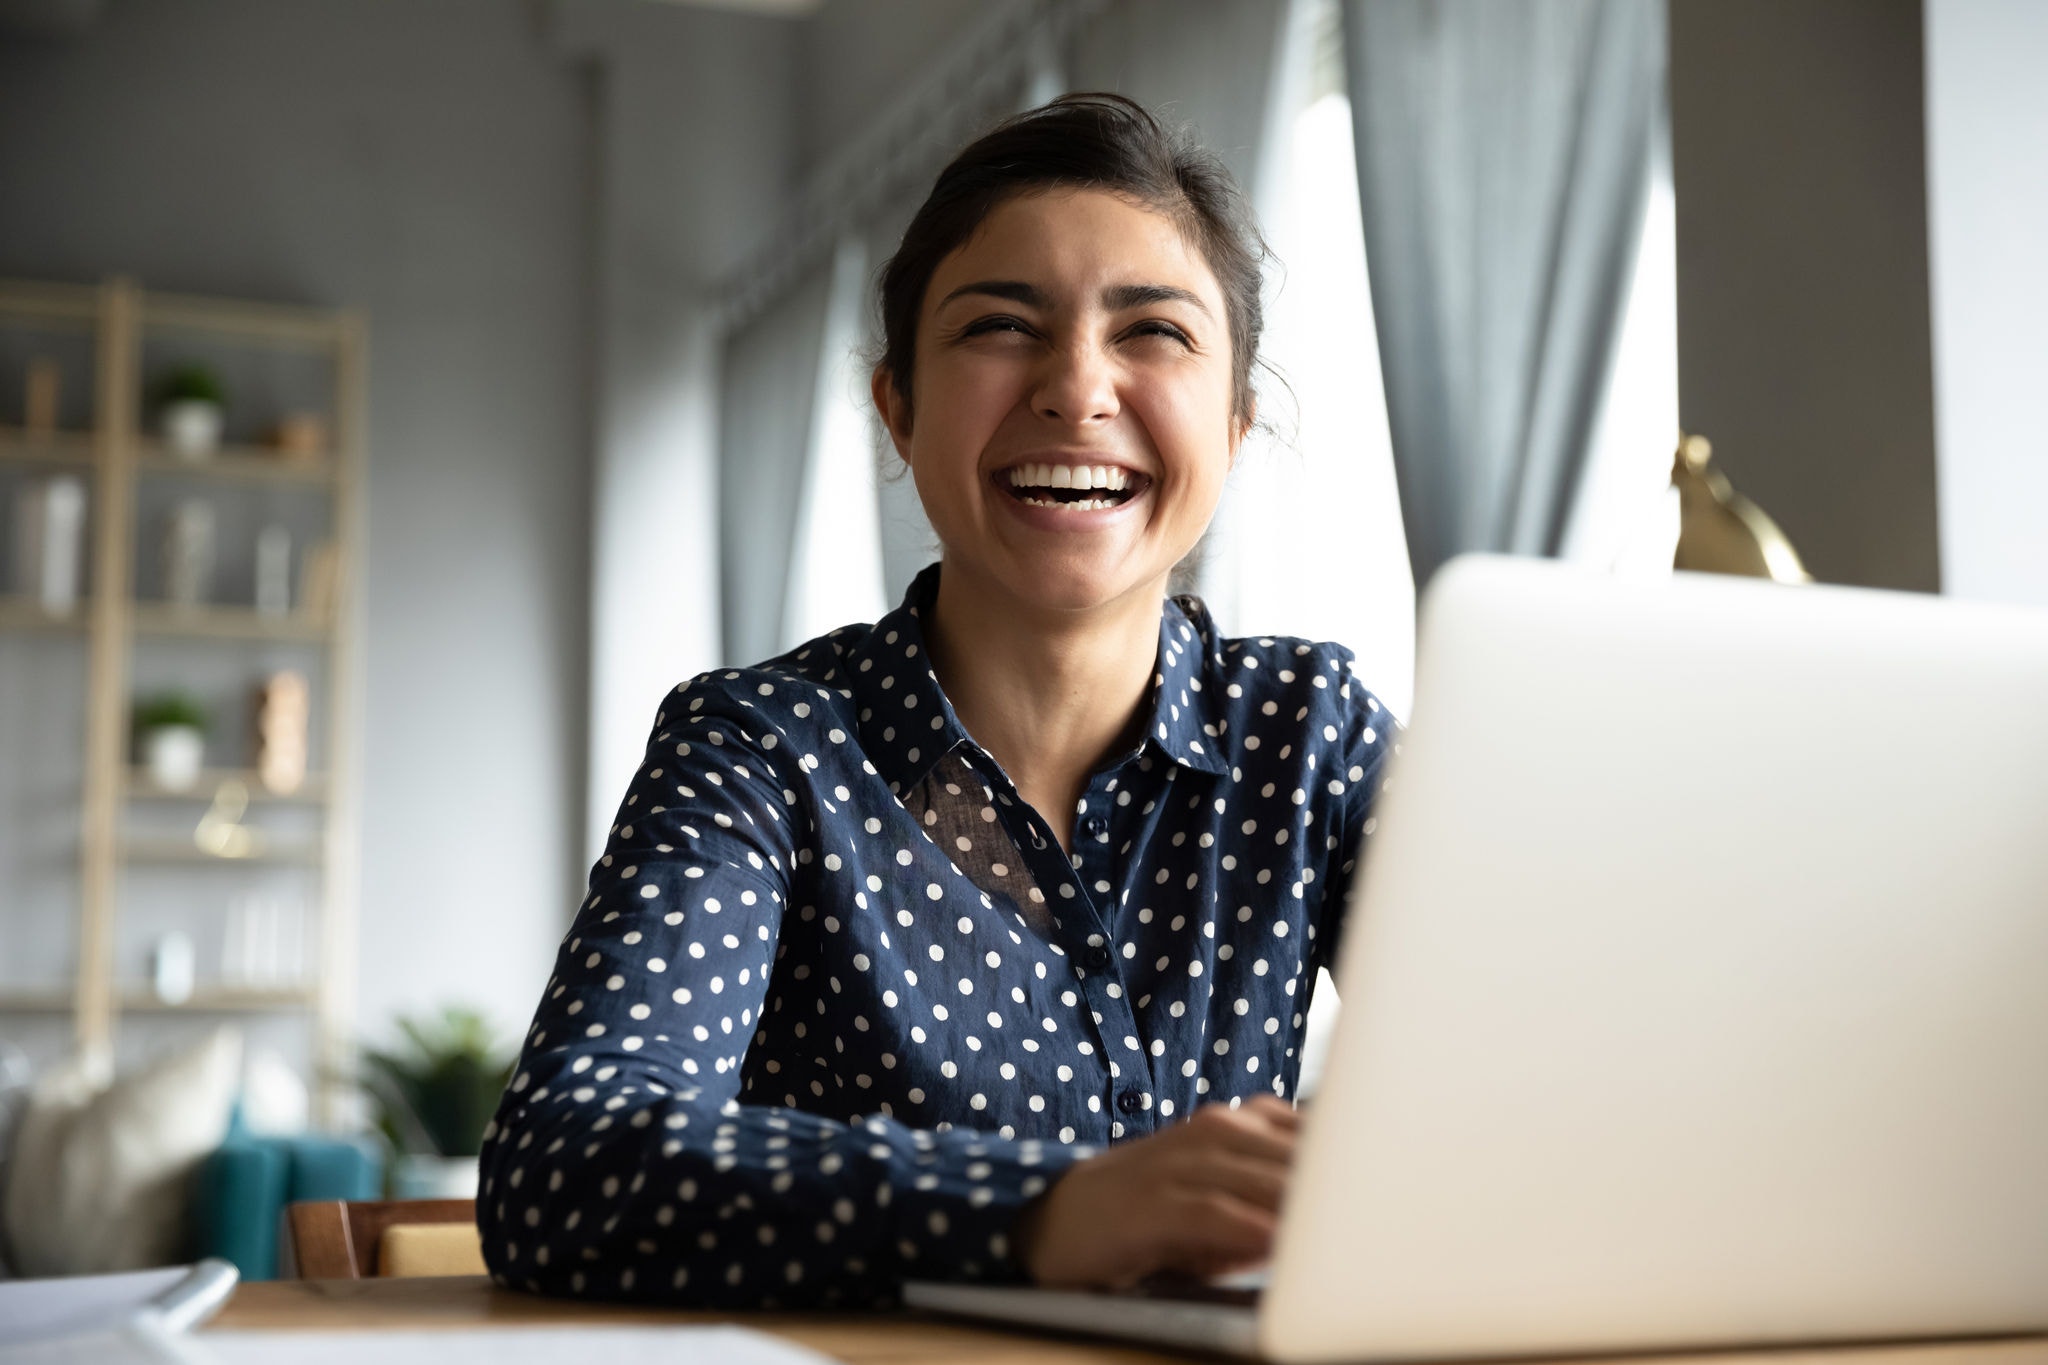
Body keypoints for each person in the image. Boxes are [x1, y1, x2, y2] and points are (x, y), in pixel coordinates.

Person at [478, 93, 1395, 1308]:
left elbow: (1532, 1074)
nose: (1076, 389)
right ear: (896, 411)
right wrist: (1037, 1211)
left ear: (1232, 428)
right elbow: (565, 1164)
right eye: (1000, 327)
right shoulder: (760, 748)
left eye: (1153, 333)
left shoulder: (1311, 733)